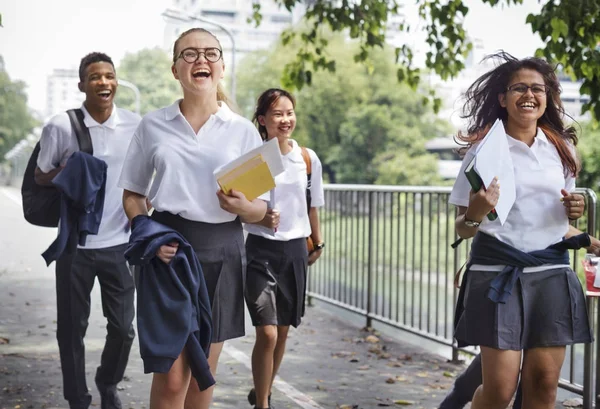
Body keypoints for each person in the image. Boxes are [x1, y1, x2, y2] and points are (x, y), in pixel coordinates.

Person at [118, 27, 268, 409]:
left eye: (210, 53)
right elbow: (133, 195)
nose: (201, 59)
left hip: (224, 250)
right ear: (175, 70)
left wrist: (242, 207)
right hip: (167, 251)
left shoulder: (244, 131)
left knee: (202, 376)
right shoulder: (152, 126)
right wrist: (147, 234)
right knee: (170, 379)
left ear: (220, 67)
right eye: (189, 54)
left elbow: (262, 209)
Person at [448, 51, 598, 409]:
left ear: (547, 97)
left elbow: (562, 227)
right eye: (519, 88)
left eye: (538, 88)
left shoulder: (562, 150)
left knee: (545, 384)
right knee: (499, 391)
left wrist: (577, 217)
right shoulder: (481, 152)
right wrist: (476, 212)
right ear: (503, 98)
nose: (529, 95)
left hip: (551, 275)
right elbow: (462, 229)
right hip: (497, 274)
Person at [34, 52, 139, 409]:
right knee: (71, 330)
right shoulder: (61, 127)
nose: (104, 82)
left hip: (120, 243)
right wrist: (70, 170)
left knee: (124, 328)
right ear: (82, 85)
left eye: (109, 76)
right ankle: (77, 398)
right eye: (95, 77)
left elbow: (145, 176)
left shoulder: (135, 125)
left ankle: (107, 381)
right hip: (75, 245)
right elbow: (40, 175)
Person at [243, 88, 325, 409]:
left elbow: (313, 205)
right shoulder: (255, 158)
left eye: (289, 112)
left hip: (294, 252)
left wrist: (317, 242)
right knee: (267, 334)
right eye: (277, 114)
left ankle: (263, 390)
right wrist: (262, 218)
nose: (285, 119)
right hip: (260, 253)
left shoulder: (306, 158)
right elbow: (244, 207)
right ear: (263, 121)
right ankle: (263, 404)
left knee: (283, 330)